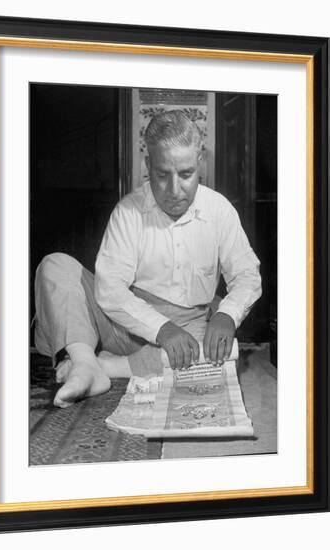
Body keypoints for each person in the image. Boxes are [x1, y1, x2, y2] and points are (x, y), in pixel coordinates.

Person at [34, 110, 262, 408]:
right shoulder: (128, 211)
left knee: (221, 350)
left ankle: (102, 368)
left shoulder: (220, 210)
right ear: (148, 165)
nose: (174, 190)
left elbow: (247, 275)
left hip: (189, 329)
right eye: (162, 175)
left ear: (199, 163)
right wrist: (162, 329)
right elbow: (110, 291)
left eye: (186, 175)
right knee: (55, 265)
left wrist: (226, 315)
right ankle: (85, 361)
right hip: (121, 323)